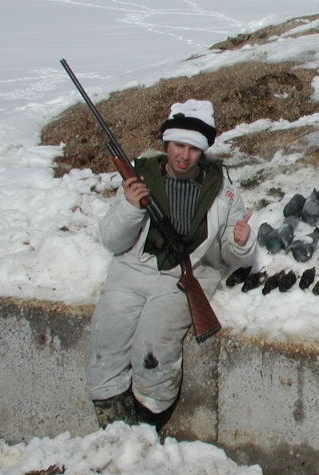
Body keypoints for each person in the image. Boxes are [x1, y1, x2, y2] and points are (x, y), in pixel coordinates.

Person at [87, 99, 255, 429]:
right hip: (132, 270)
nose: (184, 155)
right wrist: (131, 208)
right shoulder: (140, 178)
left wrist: (239, 241)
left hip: (184, 274)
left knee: (154, 345)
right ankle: (111, 425)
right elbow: (111, 240)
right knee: (108, 339)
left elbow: (226, 256)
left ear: (202, 151)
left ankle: (149, 420)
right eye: (178, 145)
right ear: (167, 143)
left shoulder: (223, 192)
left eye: (193, 148)